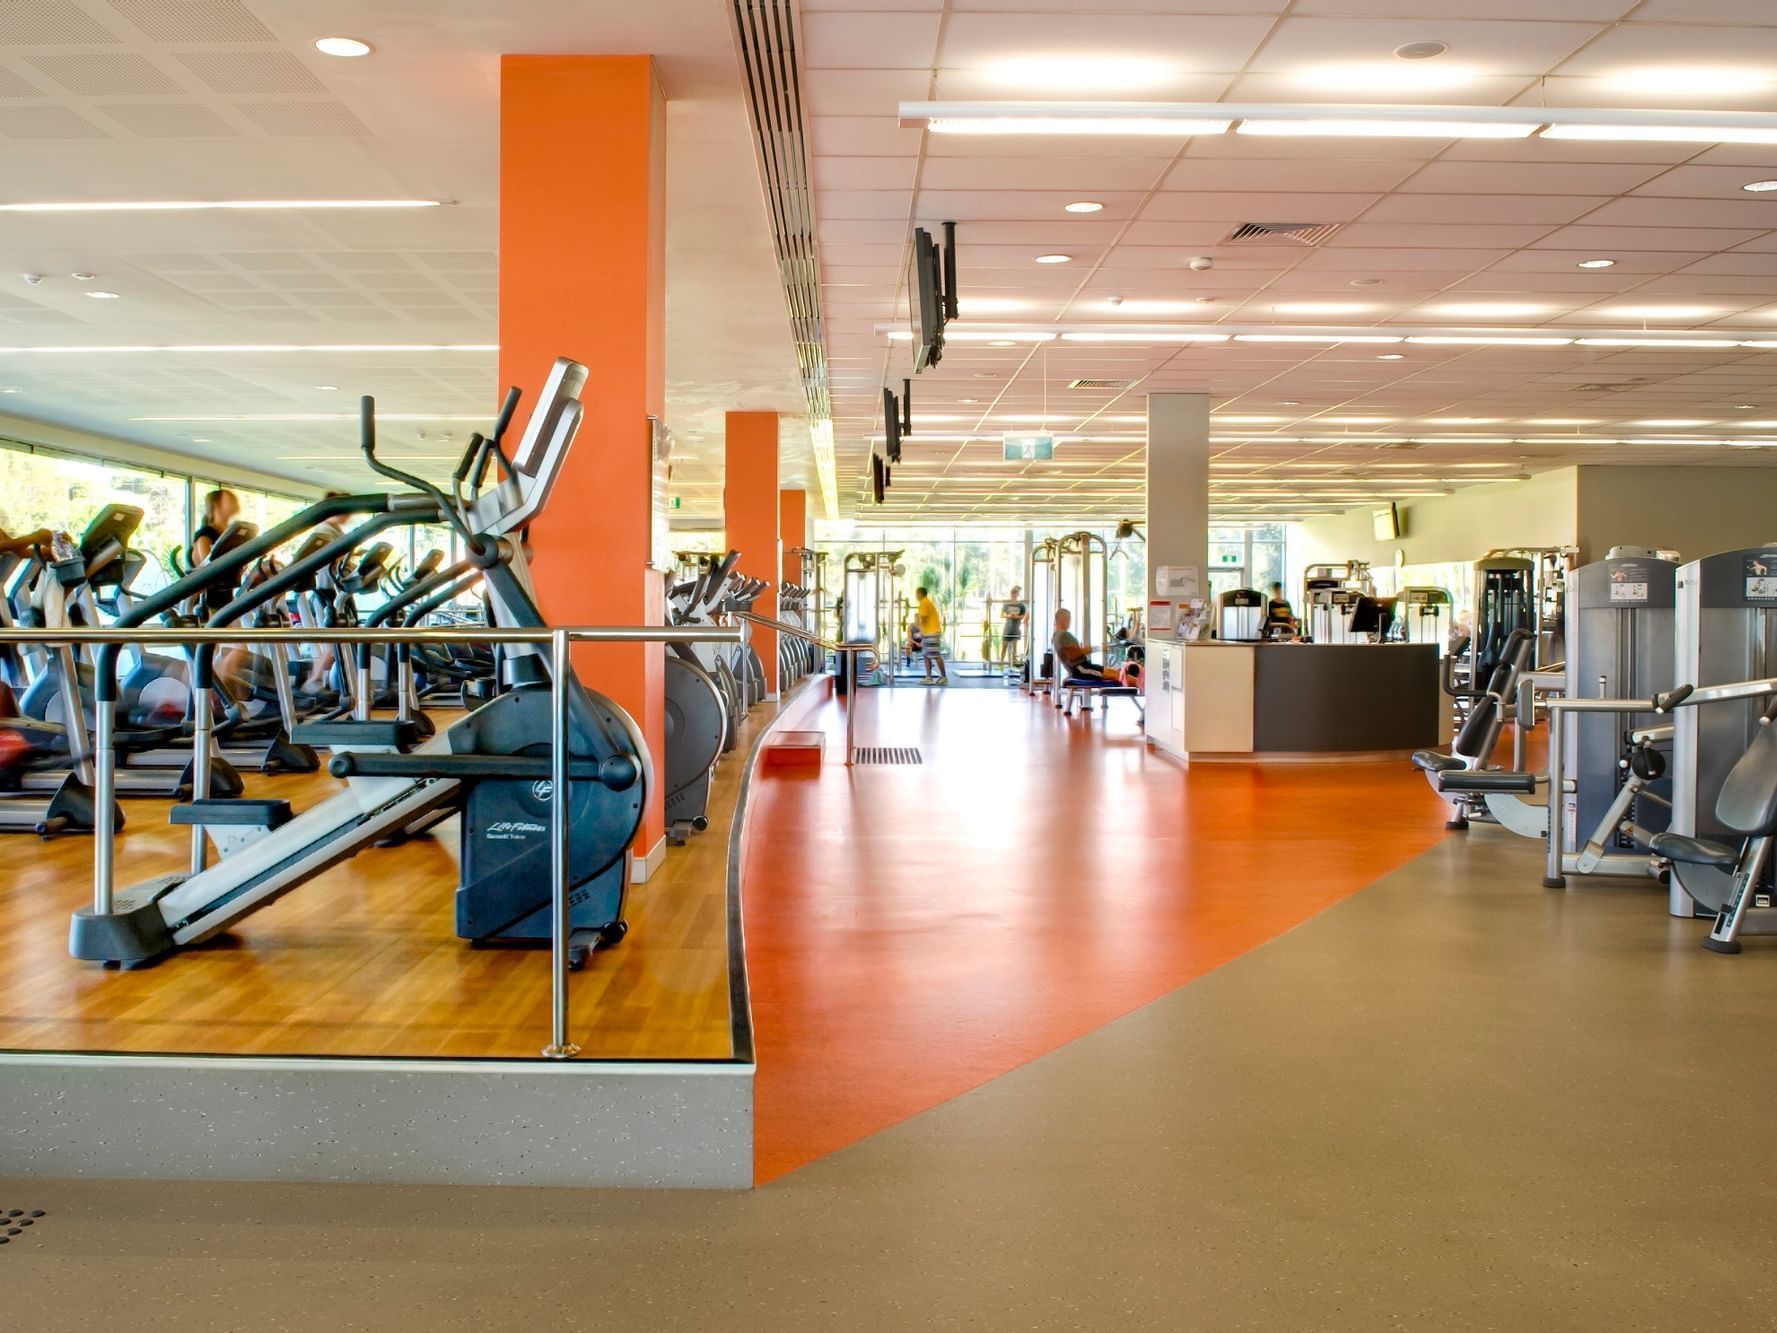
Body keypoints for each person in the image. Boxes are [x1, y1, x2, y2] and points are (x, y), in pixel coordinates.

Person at [189, 489, 251, 694]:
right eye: (228, 499)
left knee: (236, 650)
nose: (234, 502)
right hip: (208, 604)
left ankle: (217, 693)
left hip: (227, 601)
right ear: (216, 505)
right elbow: (205, 567)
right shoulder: (205, 535)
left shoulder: (231, 534)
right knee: (227, 650)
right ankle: (214, 694)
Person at [1050, 607, 1106, 682]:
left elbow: (1071, 653)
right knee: (1115, 675)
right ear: (1063, 620)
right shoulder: (1064, 635)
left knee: (1115, 672)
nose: (1070, 622)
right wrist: (1098, 648)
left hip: (1080, 668)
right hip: (1081, 669)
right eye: (1069, 619)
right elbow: (1073, 655)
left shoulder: (1055, 636)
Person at [915, 584, 947, 685]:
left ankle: (944, 677)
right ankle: (929, 677)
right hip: (928, 633)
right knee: (926, 656)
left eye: (917, 594)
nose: (916, 596)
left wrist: (918, 627)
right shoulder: (926, 602)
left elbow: (922, 618)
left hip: (932, 633)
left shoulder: (924, 603)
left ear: (920, 594)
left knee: (935, 655)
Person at [999, 585, 1027, 666]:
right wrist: (1008, 616)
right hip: (1007, 628)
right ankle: (1001, 664)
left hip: (1016, 628)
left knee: (1015, 649)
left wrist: (1016, 617)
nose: (1014, 595)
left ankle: (1013, 665)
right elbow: (1001, 615)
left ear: (1017, 594)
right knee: (1004, 646)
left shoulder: (1021, 605)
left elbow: (1023, 616)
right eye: (1012, 593)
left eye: (1015, 593)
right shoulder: (1006, 604)